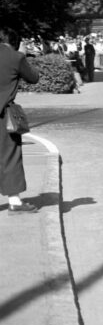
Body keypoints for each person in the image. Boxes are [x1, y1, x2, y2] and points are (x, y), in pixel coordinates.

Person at [0, 27, 40, 214]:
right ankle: (15, 202)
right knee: (10, 156)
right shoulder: (15, 57)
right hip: (3, 116)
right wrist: (22, 55)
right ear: (15, 42)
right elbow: (34, 77)